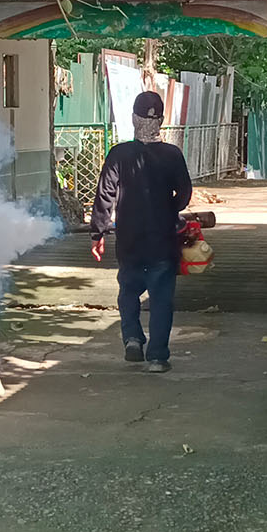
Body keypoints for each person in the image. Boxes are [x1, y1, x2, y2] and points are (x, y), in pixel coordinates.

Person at [90, 90, 192, 373]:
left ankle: (132, 338)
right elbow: (184, 192)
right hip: (162, 239)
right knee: (161, 299)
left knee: (128, 291)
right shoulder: (172, 155)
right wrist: (170, 209)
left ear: (134, 119)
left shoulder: (119, 154)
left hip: (130, 239)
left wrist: (98, 234)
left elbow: (105, 195)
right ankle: (157, 357)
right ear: (160, 120)